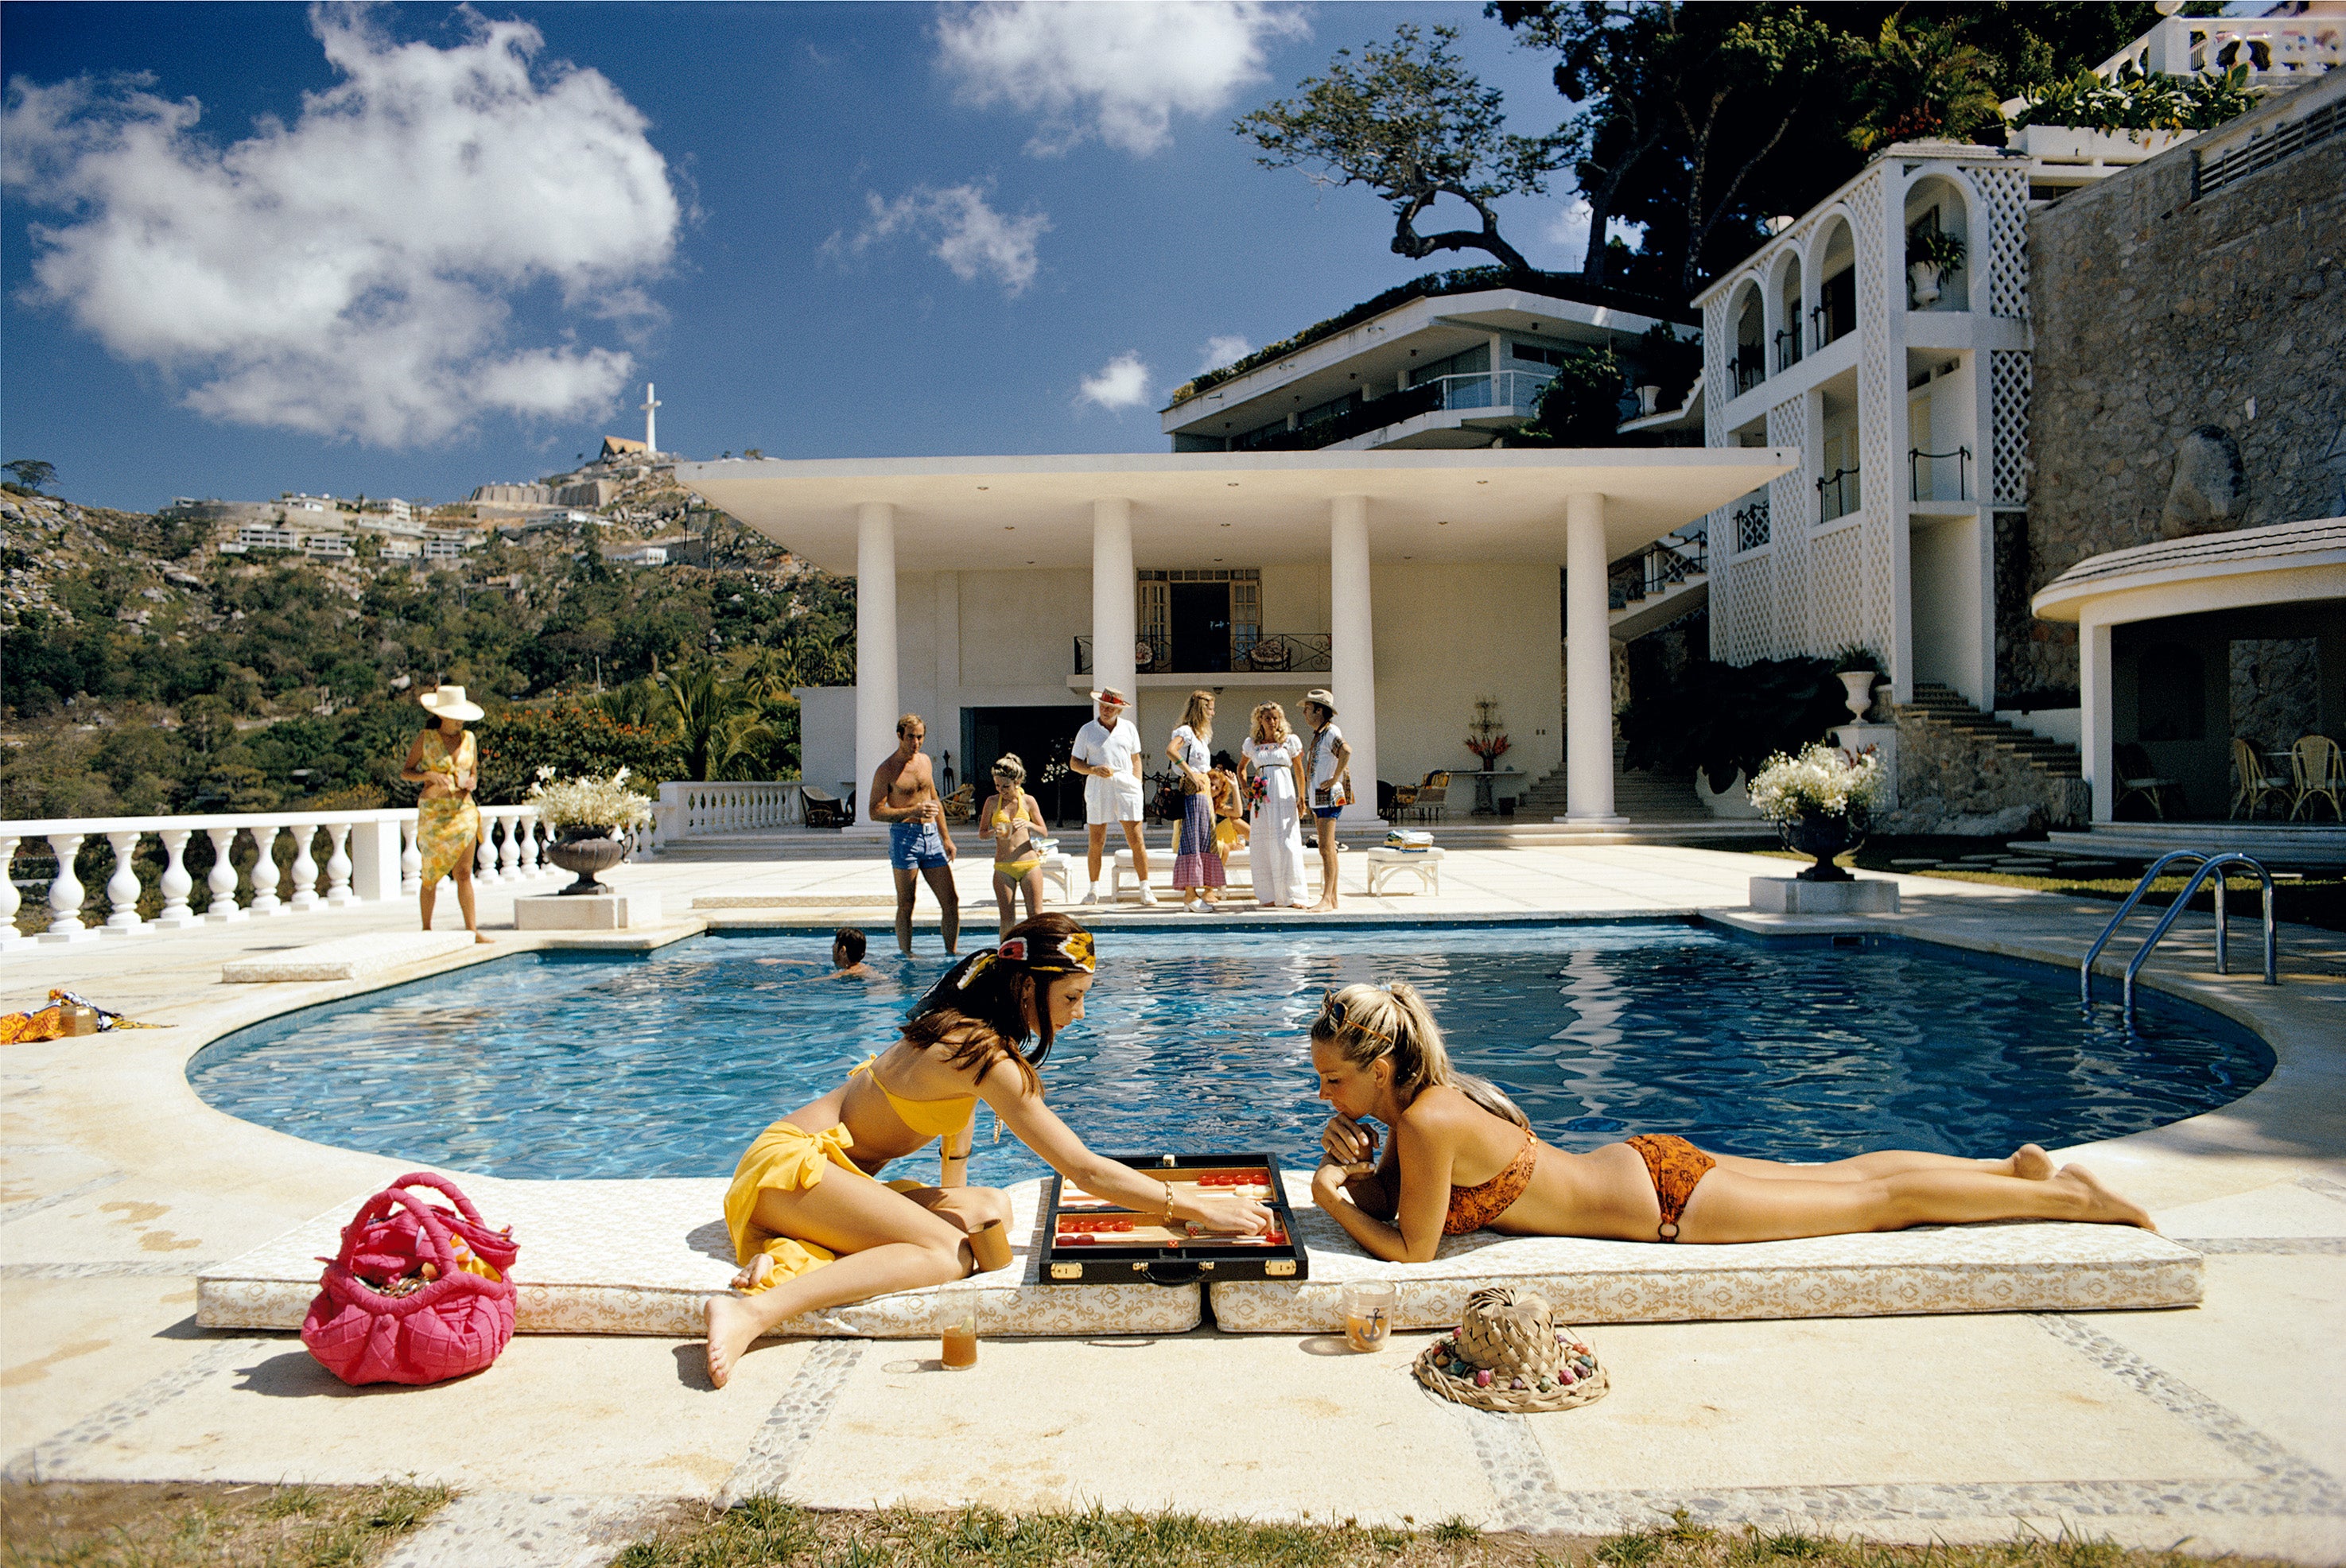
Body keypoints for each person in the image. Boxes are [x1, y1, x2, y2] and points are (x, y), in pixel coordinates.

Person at [704, 914, 1273, 1387]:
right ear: (1029, 986)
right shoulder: (983, 1055)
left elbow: (953, 1126)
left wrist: (949, 1191)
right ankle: (753, 1312)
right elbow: (1082, 1167)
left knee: (987, 1210)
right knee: (946, 1252)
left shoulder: (965, 1028)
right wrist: (1191, 1205)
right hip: (790, 1167)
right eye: (1072, 997)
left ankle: (802, 1244)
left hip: (827, 1171)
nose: (1080, 1013)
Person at [1305, 981, 2155, 1263]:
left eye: (1333, 1079)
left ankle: (2078, 1201)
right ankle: (2005, 1171)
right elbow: (1410, 1202)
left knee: (1878, 1202)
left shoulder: (1424, 1120)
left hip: (1671, 1207)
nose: (1323, 1095)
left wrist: (1330, 1196)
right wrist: (1358, 1163)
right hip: (1645, 1163)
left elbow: (1413, 1251)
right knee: (1842, 1175)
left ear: (1379, 1066)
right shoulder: (1428, 1104)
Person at [399, 685, 493, 945]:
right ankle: (426, 929)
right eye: (454, 715)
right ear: (441, 715)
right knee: (430, 874)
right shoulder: (426, 739)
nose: (459, 720)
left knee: (463, 873)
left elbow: (473, 772)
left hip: (463, 811)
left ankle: (472, 929)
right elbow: (406, 772)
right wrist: (427, 775)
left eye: (461, 715)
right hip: (433, 815)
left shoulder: (469, 739)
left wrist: (472, 782)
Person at [869, 713, 958, 957]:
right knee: (907, 903)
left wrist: (946, 837)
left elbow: (934, 799)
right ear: (899, 736)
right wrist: (912, 811)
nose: (916, 742)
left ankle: (951, 954)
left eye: (920, 737)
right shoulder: (887, 770)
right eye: (910, 737)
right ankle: (906, 955)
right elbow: (875, 812)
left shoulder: (926, 762)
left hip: (931, 837)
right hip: (904, 837)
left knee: (951, 901)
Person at [1071, 687, 1152, 906]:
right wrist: (1093, 770)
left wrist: (1137, 783)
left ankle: (1145, 888)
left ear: (1119, 709)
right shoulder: (1087, 730)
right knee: (1097, 840)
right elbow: (1074, 763)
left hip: (1126, 784)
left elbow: (1136, 758)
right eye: (1103, 705)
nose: (1105, 710)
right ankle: (1093, 889)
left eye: (1110, 707)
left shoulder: (1129, 729)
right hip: (1098, 784)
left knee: (1136, 839)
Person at [1241, 701, 1308, 910]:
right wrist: (1245, 788)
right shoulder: (1252, 744)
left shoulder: (1290, 741)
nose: (1272, 721)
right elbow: (1241, 768)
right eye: (1268, 717)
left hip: (1285, 793)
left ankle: (1293, 895)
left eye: (1276, 717)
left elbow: (1299, 770)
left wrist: (1301, 797)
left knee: (1287, 843)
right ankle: (1267, 895)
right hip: (1263, 796)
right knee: (1263, 844)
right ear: (1259, 720)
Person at [1167, 690, 1226, 913]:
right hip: (1194, 788)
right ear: (1202, 709)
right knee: (1192, 839)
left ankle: (1197, 892)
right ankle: (1190, 895)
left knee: (1203, 839)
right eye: (1210, 708)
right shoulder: (1186, 732)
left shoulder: (1201, 736)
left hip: (1203, 792)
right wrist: (1191, 773)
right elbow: (1171, 751)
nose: (1213, 713)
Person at [978, 754, 1049, 937]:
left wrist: (1029, 824)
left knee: (1035, 916)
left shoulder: (1028, 801)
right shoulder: (992, 802)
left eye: (1006, 786)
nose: (1001, 790)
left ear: (1017, 781)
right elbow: (982, 834)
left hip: (1029, 864)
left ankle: (1037, 955)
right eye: (997, 786)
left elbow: (1044, 831)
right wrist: (994, 832)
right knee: (1007, 919)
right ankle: (1005, 957)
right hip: (1003, 866)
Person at [1299, 690, 1353, 914]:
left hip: (1328, 798)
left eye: (1307, 709)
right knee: (1326, 848)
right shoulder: (1320, 734)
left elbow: (1346, 751)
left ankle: (1328, 899)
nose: (1304, 713)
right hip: (1320, 799)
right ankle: (1332, 898)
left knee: (1326, 848)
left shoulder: (1330, 732)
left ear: (1319, 710)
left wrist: (1335, 778)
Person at [1209, 750, 1249, 868]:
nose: (1213, 789)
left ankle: (1261, 843)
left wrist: (1235, 786)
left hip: (1213, 837)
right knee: (1233, 821)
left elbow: (1238, 813)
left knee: (1234, 820)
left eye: (1217, 788)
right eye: (1211, 785)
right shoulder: (1199, 797)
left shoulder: (1215, 803)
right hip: (1203, 839)